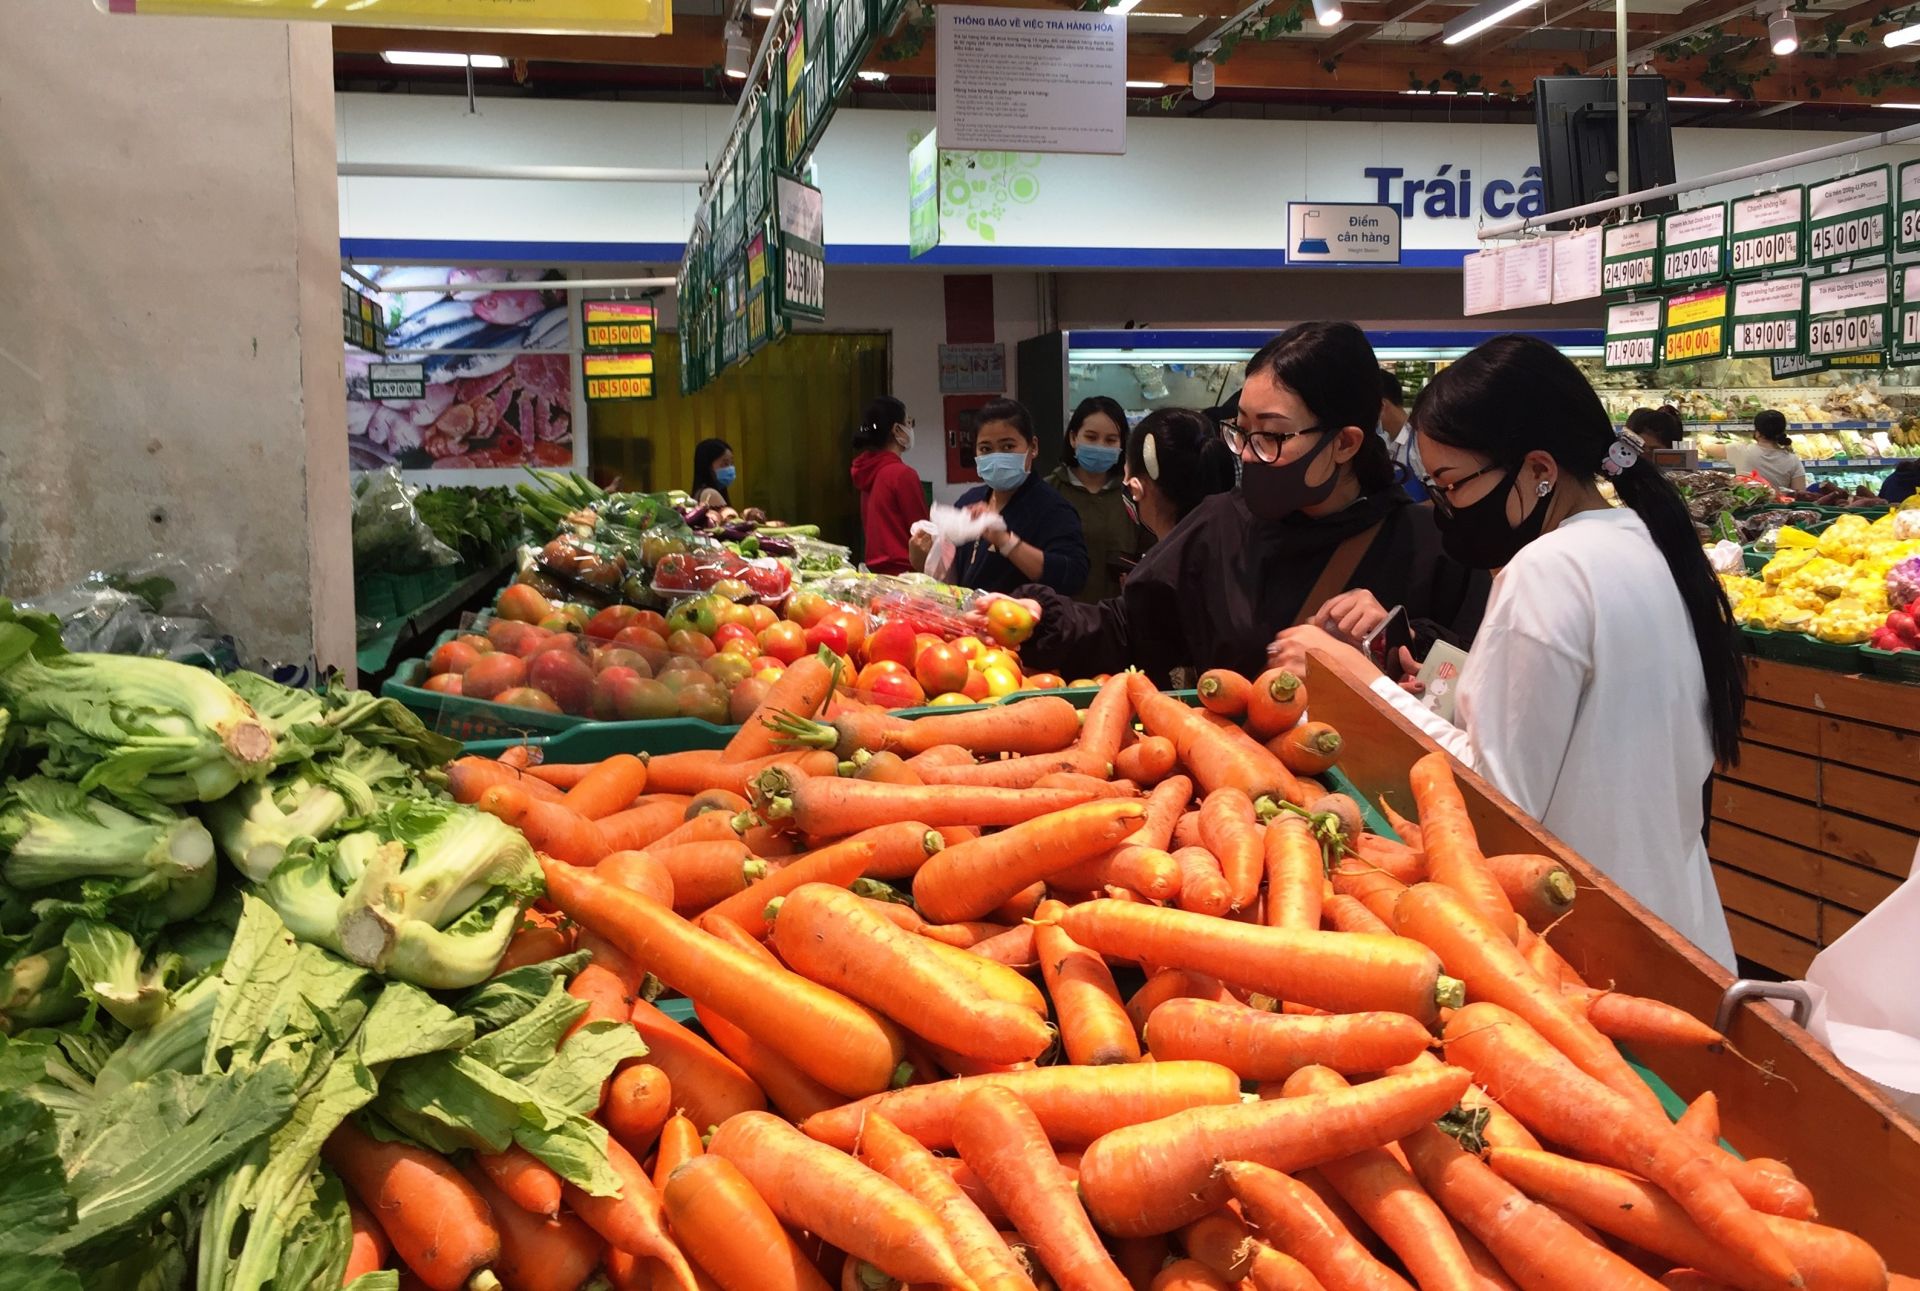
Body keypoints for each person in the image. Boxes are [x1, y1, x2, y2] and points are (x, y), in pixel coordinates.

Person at [1272, 334, 1745, 968]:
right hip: (1678, 926)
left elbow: (1498, 798)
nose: (1442, 507)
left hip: (1583, 943)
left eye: (1451, 485)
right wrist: (1447, 698)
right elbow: (1585, 731)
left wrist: (1359, 682)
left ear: (1539, 471)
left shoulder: (1547, 570)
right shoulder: (1645, 542)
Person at [1009, 322, 1489, 686]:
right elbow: (1128, 628)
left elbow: (1472, 690)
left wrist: (1389, 645)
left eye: (1273, 436)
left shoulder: (1434, 547)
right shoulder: (1221, 524)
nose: (1246, 453)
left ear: (1345, 443)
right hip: (1232, 782)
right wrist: (1038, 618)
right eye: (1241, 429)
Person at [912, 398, 1089, 596]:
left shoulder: (1053, 509)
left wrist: (1005, 542)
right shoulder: (969, 501)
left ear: (1033, 447)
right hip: (969, 613)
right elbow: (951, 576)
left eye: (1008, 447)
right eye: (986, 449)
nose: (996, 457)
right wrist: (923, 554)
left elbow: (1073, 577)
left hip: (1020, 614)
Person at [1049, 396, 1141, 603]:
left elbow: (1152, 555)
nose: (1100, 446)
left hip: (1118, 614)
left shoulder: (1134, 495)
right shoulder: (1049, 492)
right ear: (1073, 437)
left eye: (1111, 440)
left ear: (1122, 444)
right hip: (1059, 613)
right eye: (1091, 437)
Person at [849, 396, 928, 575]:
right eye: (908, 422)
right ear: (897, 429)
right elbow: (923, 535)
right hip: (905, 575)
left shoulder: (868, 470)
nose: (911, 428)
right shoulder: (902, 474)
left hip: (877, 574)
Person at [1727, 410, 1808, 493]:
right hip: (1779, 501)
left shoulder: (1740, 450)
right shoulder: (1793, 460)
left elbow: (1716, 449)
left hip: (1747, 501)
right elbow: (1800, 493)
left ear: (1757, 433)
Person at [1378, 367, 1426, 502]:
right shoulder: (1386, 442)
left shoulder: (1419, 442)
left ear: (1382, 406)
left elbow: (1443, 500)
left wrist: (1409, 511)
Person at [690, 438, 735, 508]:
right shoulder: (710, 494)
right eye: (725, 464)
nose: (730, 468)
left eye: (732, 463)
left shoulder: (702, 492)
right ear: (708, 466)